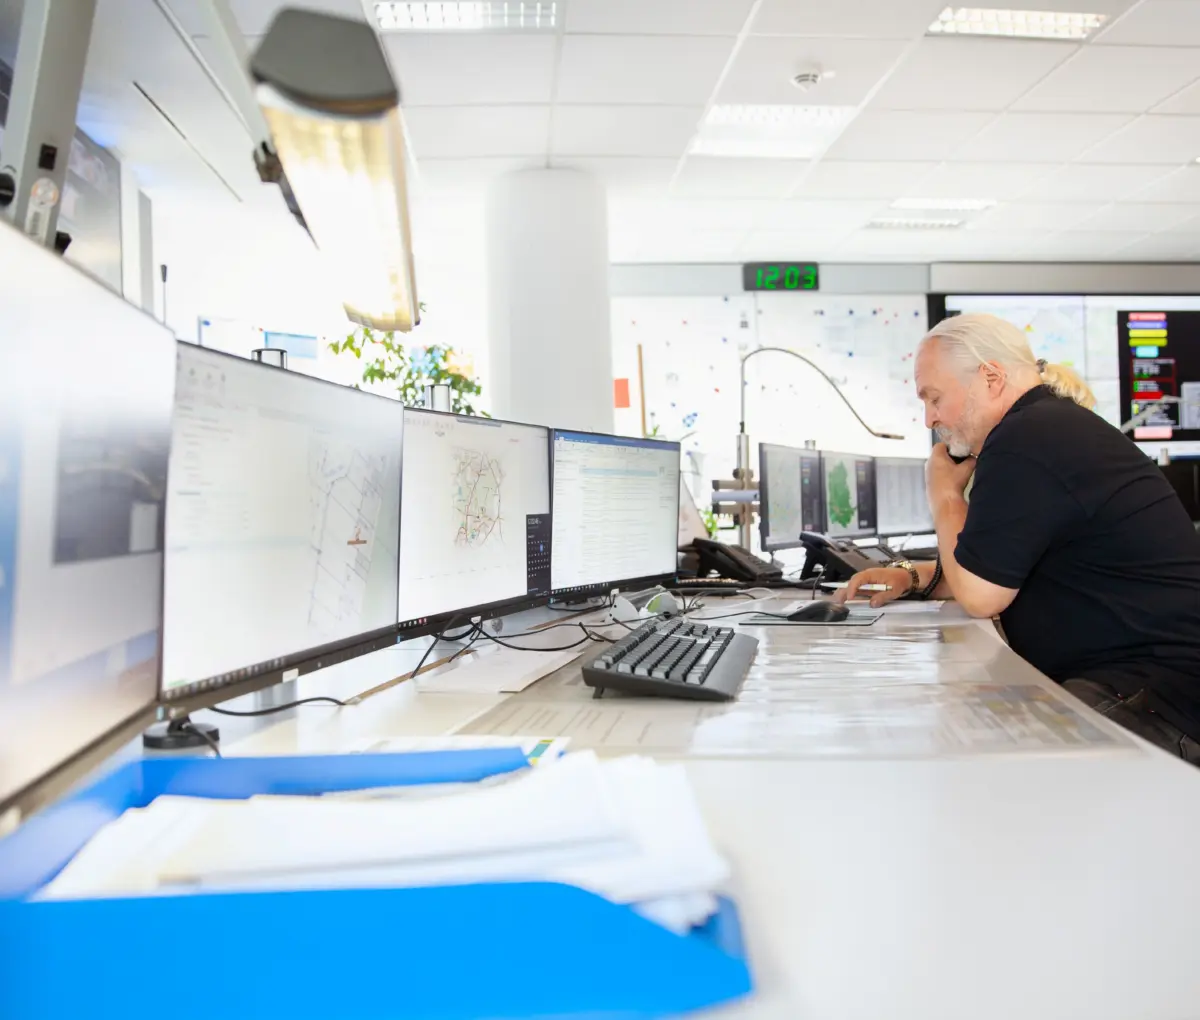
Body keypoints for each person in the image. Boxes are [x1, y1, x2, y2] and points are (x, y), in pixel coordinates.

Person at [835, 313, 1200, 761]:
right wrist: (912, 577)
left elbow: (982, 596)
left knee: (961, 752)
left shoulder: (1024, 438)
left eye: (934, 398)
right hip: (1145, 685)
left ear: (990, 378)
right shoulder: (1046, 427)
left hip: (1154, 700)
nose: (930, 418)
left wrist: (944, 494)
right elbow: (994, 569)